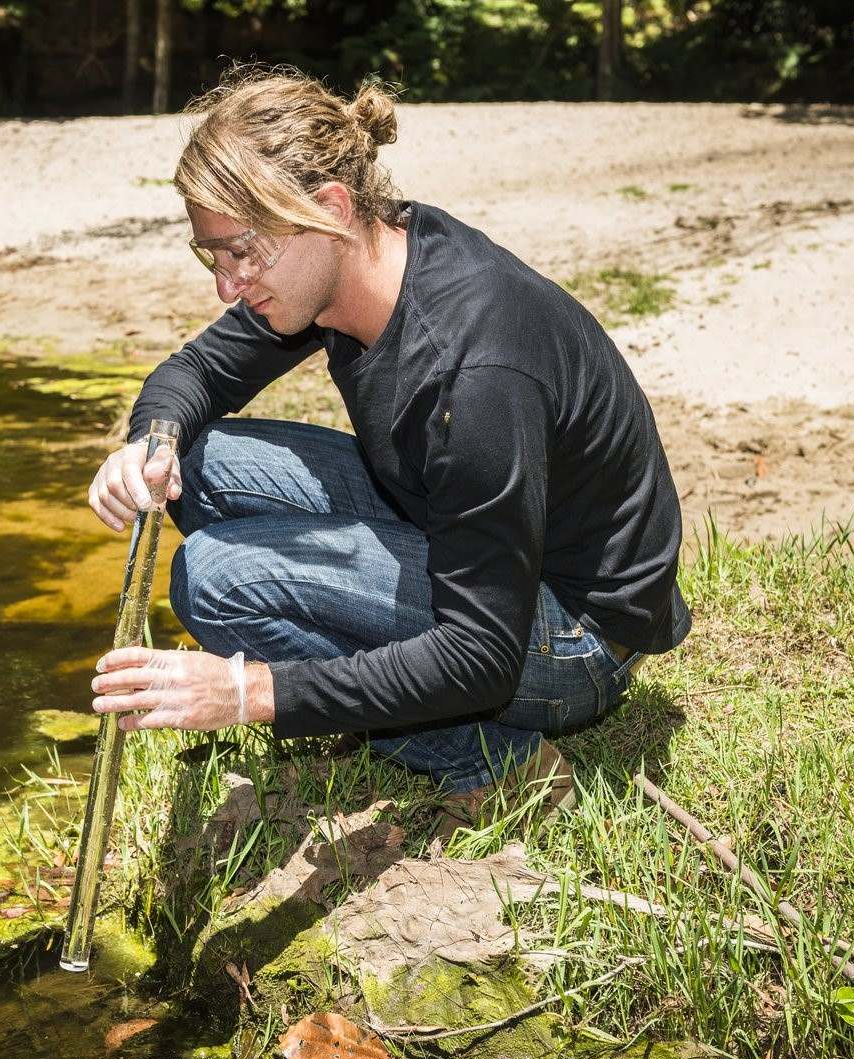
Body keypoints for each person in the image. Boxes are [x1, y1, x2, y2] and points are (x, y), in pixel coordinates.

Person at [86, 70, 690, 815]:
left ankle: (497, 765)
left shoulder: (472, 373)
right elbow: (196, 371)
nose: (227, 285)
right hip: (475, 537)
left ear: (331, 208)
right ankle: (385, 705)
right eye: (211, 256)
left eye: (242, 252)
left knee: (214, 580)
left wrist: (252, 692)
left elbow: (482, 659)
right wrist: (151, 442)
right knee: (197, 465)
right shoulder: (359, 257)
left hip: (576, 634)